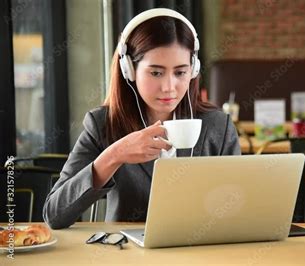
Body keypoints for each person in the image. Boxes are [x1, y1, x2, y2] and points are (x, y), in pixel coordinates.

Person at [43, 8, 241, 229]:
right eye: (156, 73)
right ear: (129, 70)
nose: (169, 87)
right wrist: (115, 155)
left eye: (180, 72)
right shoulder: (103, 124)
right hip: (128, 256)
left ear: (193, 70)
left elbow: (239, 209)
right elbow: (55, 214)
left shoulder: (218, 126)